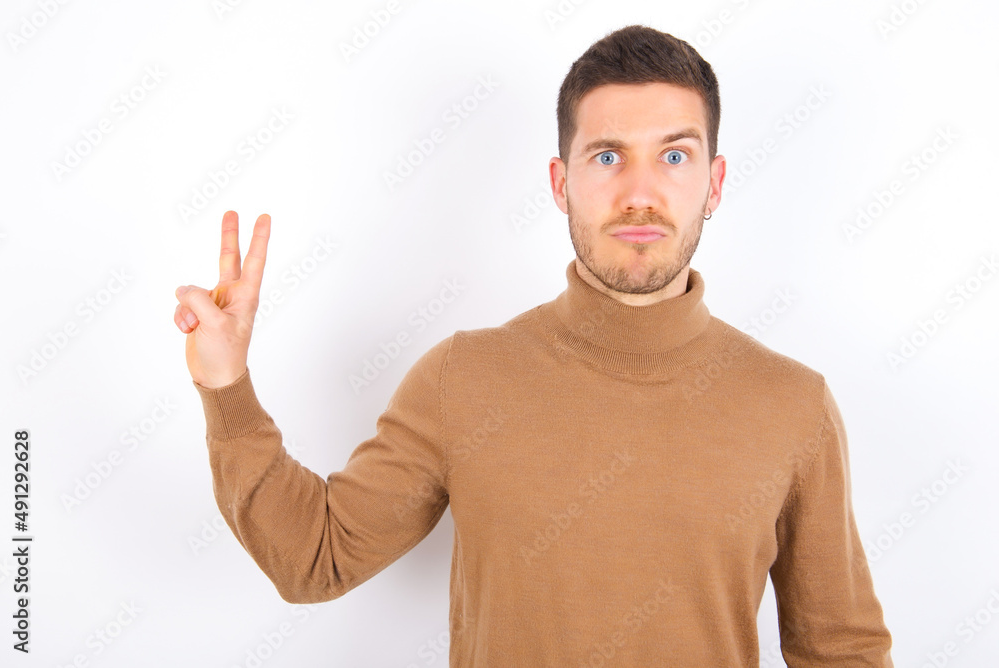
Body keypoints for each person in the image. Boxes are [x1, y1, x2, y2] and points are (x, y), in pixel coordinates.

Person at [173, 24, 893, 666]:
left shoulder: (793, 405)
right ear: (560, 183)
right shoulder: (465, 378)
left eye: (674, 157)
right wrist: (226, 388)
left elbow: (842, 651)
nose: (640, 193)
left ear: (715, 182)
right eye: (608, 157)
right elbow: (314, 560)